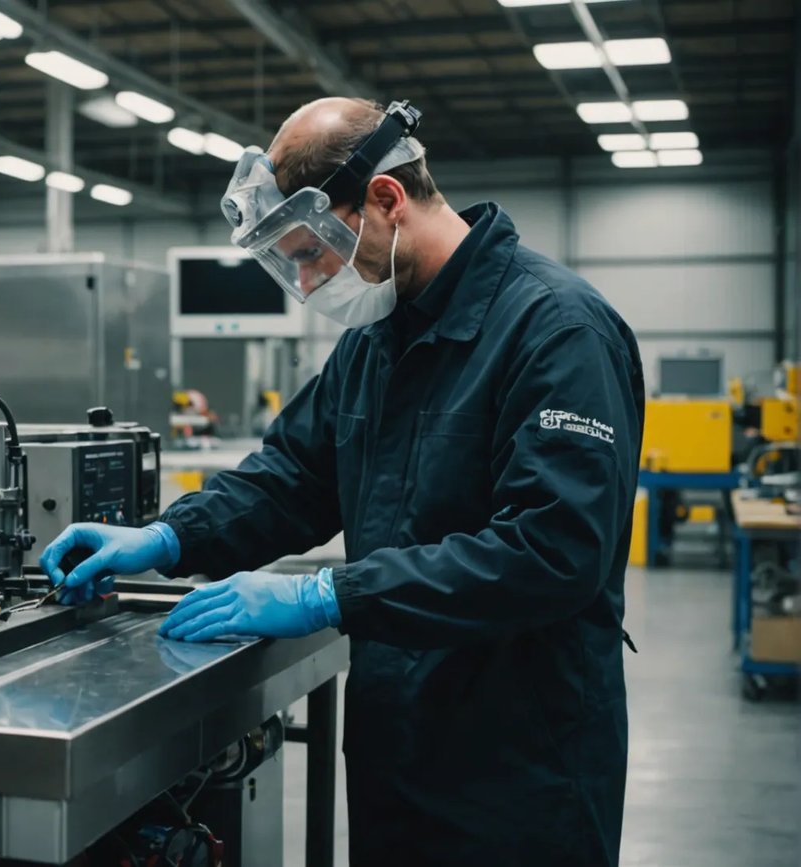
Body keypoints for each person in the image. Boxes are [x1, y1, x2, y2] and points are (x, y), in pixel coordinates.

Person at [41, 97, 644, 866]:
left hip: (523, 765)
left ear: (386, 201)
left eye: (312, 252)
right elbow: (292, 477)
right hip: (400, 746)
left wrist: (329, 595)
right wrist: (168, 535)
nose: (306, 279)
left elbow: (553, 551)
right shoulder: (377, 343)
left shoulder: (556, 331)